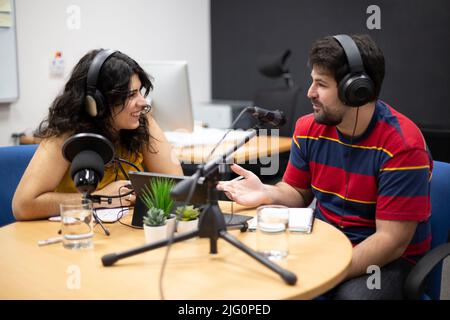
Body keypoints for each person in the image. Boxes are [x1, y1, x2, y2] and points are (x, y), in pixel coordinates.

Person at [218, 34, 432, 299]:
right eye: (312, 81)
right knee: (257, 275)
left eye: (321, 84)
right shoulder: (309, 128)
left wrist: (326, 270)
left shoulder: (402, 145)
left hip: (387, 261)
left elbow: (390, 242)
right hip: (327, 242)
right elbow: (297, 192)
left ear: (356, 90)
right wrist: (268, 192)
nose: (310, 92)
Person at [13, 49, 183, 220]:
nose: (142, 102)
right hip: (74, 235)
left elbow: (177, 188)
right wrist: (100, 198)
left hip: (122, 235)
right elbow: (23, 205)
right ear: (98, 102)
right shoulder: (67, 132)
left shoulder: (141, 122)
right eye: (131, 94)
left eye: (140, 91)